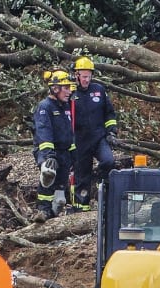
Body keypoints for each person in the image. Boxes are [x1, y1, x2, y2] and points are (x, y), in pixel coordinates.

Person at [70, 55, 117, 212]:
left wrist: (111, 131)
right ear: (76, 75)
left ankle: (100, 186)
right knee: (82, 175)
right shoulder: (70, 94)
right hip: (79, 141)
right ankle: (81, 208)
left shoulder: (99, 90)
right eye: (83, 77)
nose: (86, 80)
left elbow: (109, 113)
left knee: (108, 161)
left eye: (89, 77)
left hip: (98, 138)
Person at [31, 69, 76, 223]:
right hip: (47, 150)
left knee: (61, 188)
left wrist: (72, 152)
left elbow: (68, 131)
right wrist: (49, 155)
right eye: (66, 88)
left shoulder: (65, 106)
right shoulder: (45, 107)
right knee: (49, 173)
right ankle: (42, 210)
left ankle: (54, 213)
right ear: (55, 89)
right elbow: (44, 131)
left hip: (64, 151)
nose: (69, 91)